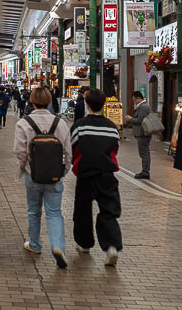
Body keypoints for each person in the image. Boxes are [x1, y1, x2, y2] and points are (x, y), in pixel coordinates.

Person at [14, 87, 72, 268]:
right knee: (54, 212)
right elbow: (67, 152)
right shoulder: (60, 123)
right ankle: (58, 246)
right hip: (55, 176)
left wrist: (23, 169)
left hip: (33, 175)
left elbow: (20, 152)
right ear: (49, 101)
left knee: (33, 210)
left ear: (31, 101)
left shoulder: (23, 123)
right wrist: (63, 171)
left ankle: (35, 244)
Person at [70, 88, 123, 267]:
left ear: (86, 104)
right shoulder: (111, 126)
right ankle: (112, 247)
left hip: (85, 173)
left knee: (82, 210)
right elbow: (115, 149)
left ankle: (84, 244)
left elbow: (73, 148)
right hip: (106, 175)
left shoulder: (79, 125)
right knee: (109, 211)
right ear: (104, 104)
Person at [125, 91, 152, 179]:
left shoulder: (143, 106)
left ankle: (145, 172)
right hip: (141, 132)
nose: (134, 102)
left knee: (144, 152)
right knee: (144, 152)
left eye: (134, 100)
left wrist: (130, 118)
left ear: (138, 98)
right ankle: (145, 171)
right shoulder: (142, 106)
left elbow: (140, 120)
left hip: (142, 132)